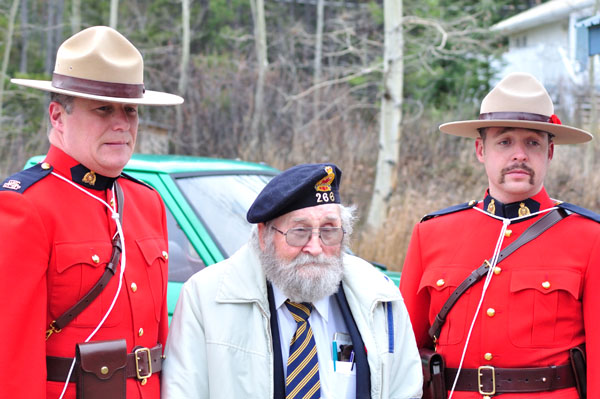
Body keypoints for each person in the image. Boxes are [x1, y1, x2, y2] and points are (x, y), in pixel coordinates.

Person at [0, 26, 183, 398]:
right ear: (57, 116)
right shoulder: (24, 206)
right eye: (102, 109)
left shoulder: (147, 202)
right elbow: (10, 355)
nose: (122, 124)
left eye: (130, 110)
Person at [400, 72, 598, 398]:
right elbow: (403, 352)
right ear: (481, 150)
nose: (519, 154)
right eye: (504, 142)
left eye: (533, 142)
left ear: (550, 153)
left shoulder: (589, 237)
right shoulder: (431, 233)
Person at [161, 163, 422, 398]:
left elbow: (405, 391)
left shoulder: (379, 296)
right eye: (299, 232)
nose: (316, 247)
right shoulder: (205, 297)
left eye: (329, 231)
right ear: (264, 236)